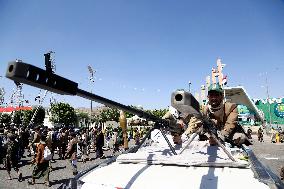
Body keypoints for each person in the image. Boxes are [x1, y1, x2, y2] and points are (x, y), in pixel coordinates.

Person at [166, 84, 250, 146]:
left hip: (228, 133)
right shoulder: (204, 109)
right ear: (208, 97)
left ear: (222, 96)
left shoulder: (231, 107)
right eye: (211, 95)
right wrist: (178, 134)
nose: (214, 98)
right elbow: (191, 119)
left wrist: (219, 138)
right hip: (210, 135)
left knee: (239, 138)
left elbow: (230, 125)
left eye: (217, 95)